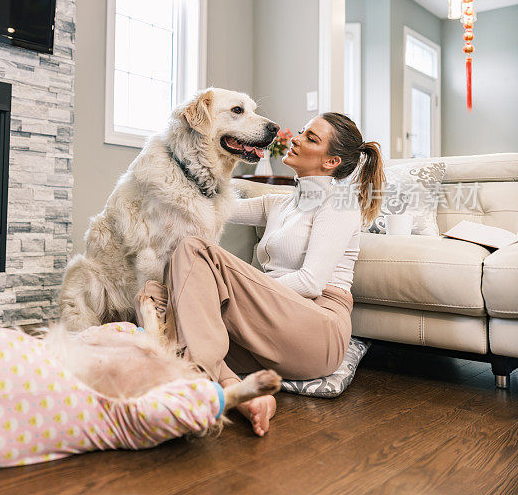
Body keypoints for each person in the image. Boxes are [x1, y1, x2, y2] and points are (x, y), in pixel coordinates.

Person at [135, 112, 385, 437]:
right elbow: (210, 207)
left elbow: (311, 283)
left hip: (317, 330)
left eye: (311, 138)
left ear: (331, 161)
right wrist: (186, 161)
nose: (295, 137)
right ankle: (235, 391)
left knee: (195, 250)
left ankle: (196, 380)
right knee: (153, 295)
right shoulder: (281, 204)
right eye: (302, 130)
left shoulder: (339, 204)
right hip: (271, 334)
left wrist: (237, 293)